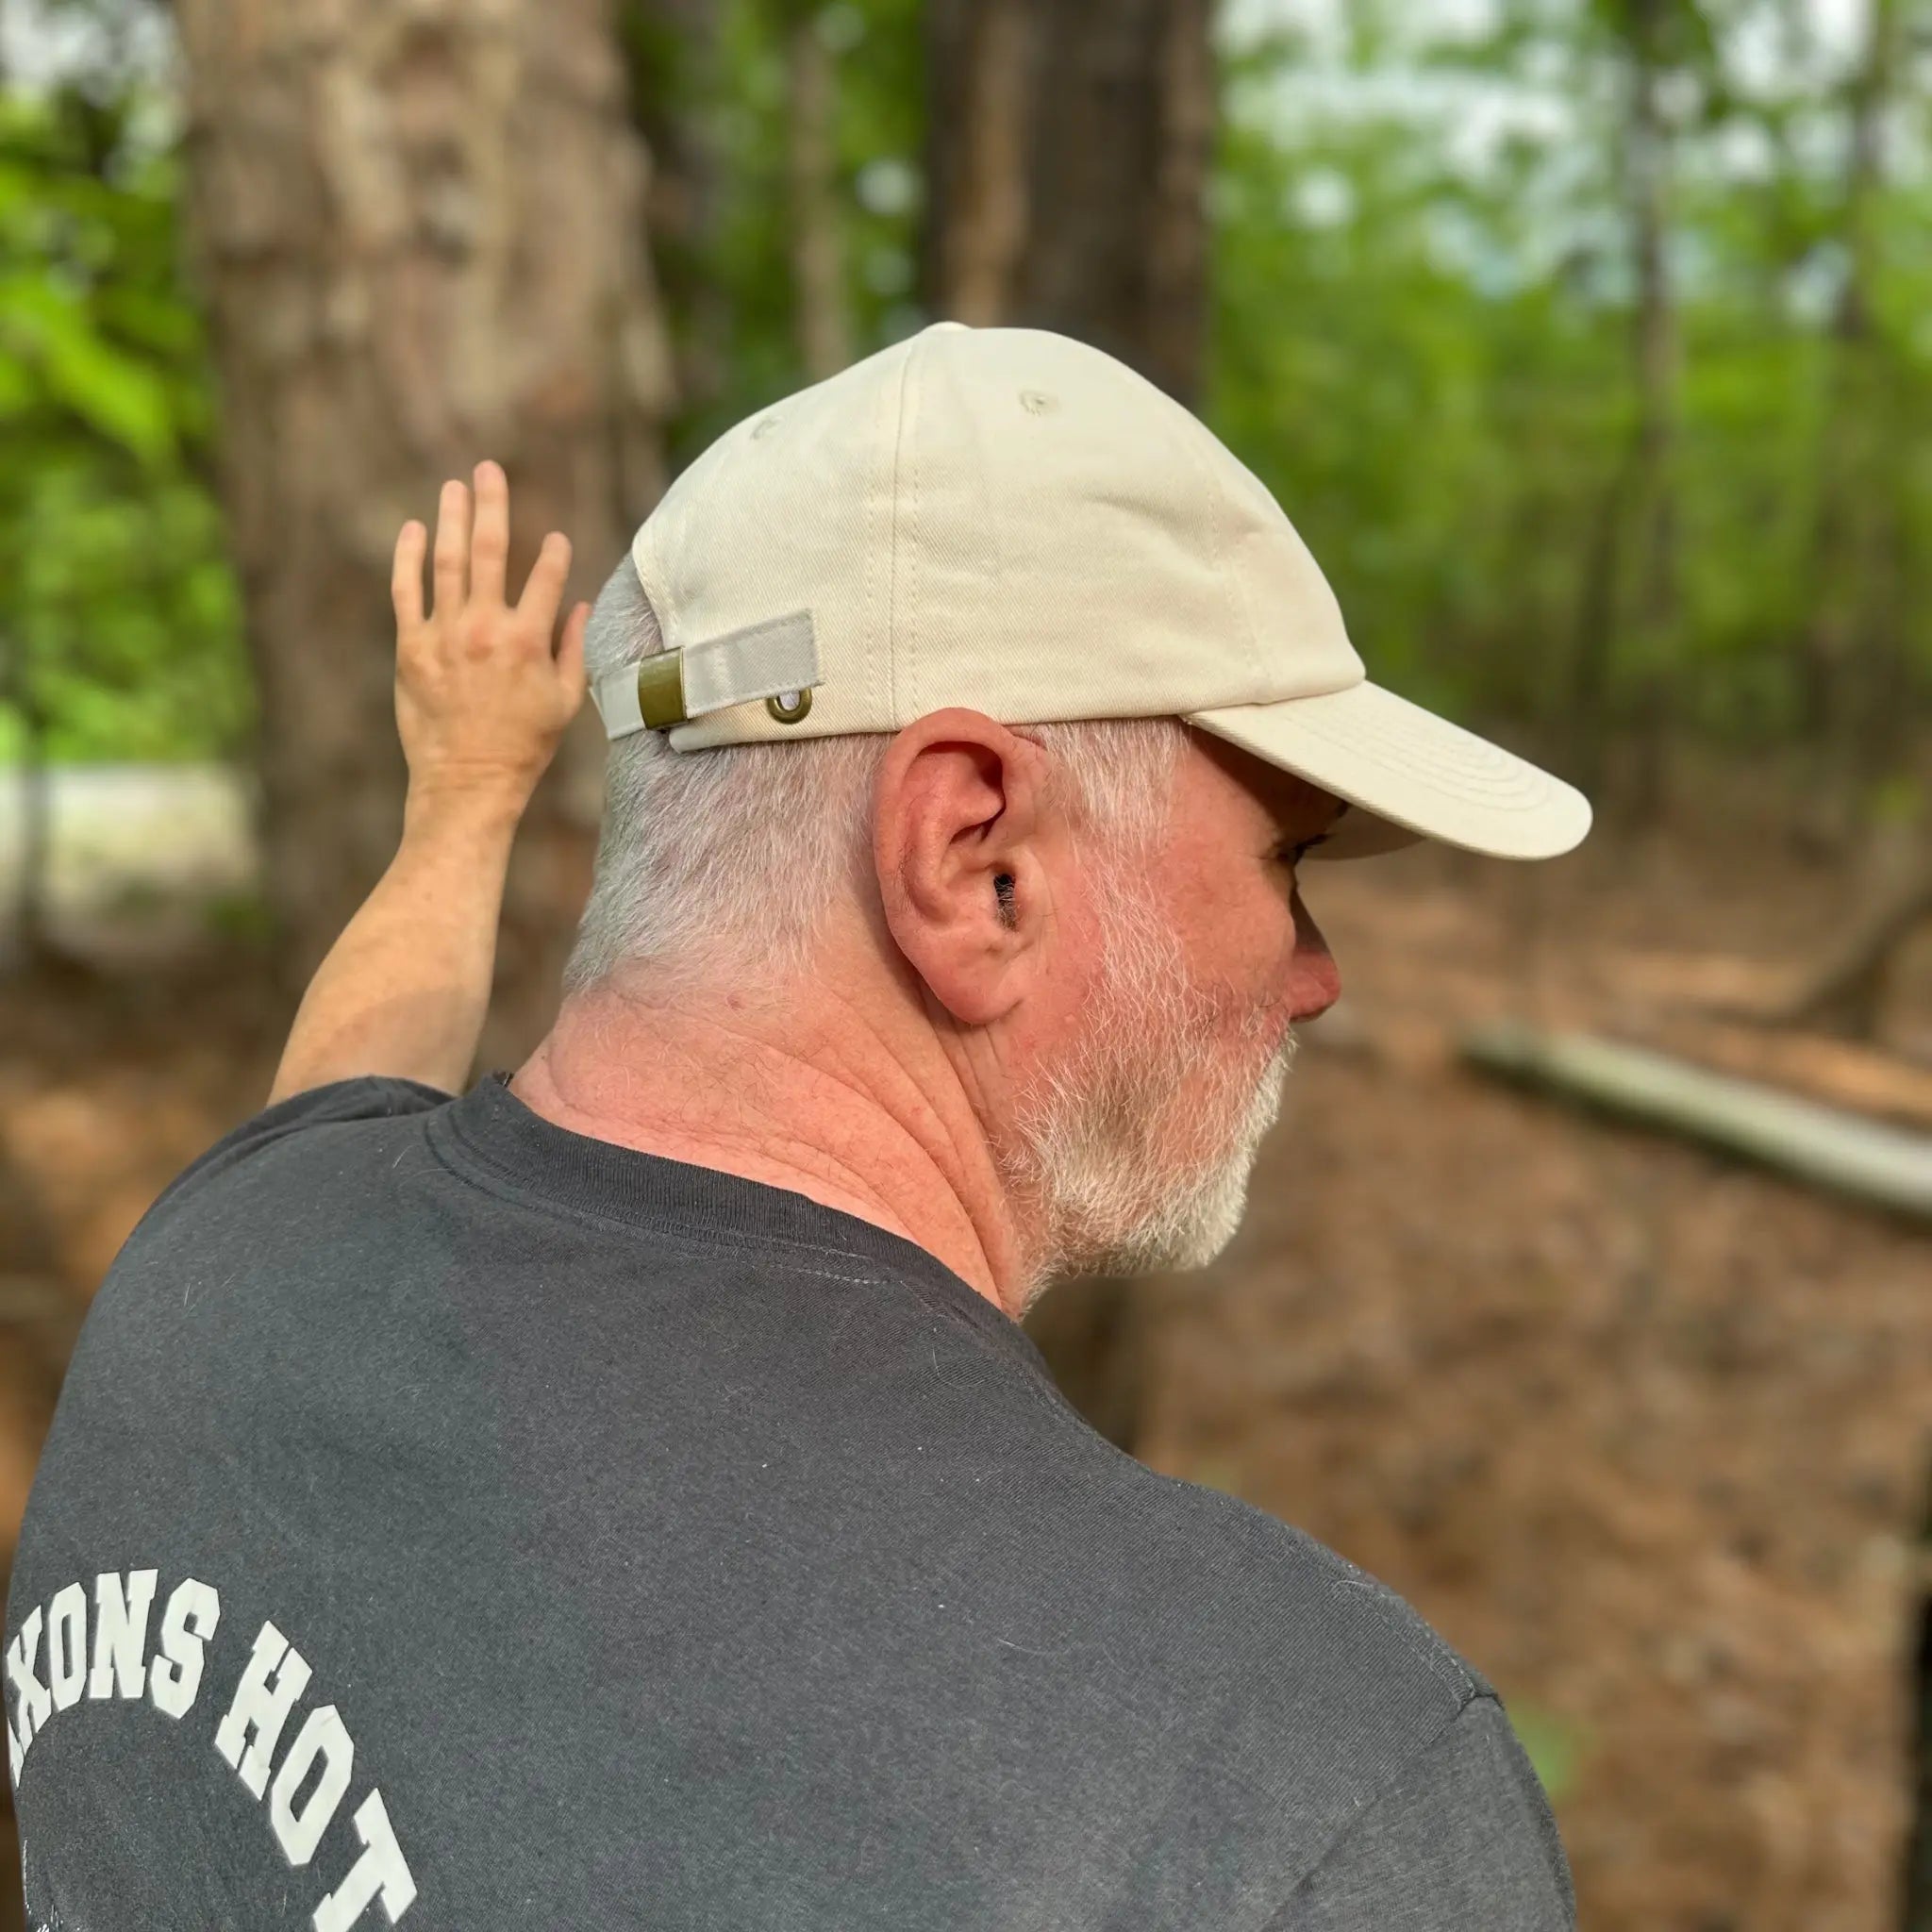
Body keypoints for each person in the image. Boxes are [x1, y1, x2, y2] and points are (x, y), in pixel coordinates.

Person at [6, 324, 1588, 1930]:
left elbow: (333, 1105)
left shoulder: (214, 1267)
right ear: (978, 861)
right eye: (1286, 861)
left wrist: (463, 803)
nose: (1315, 974)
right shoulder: (1292, 1795)